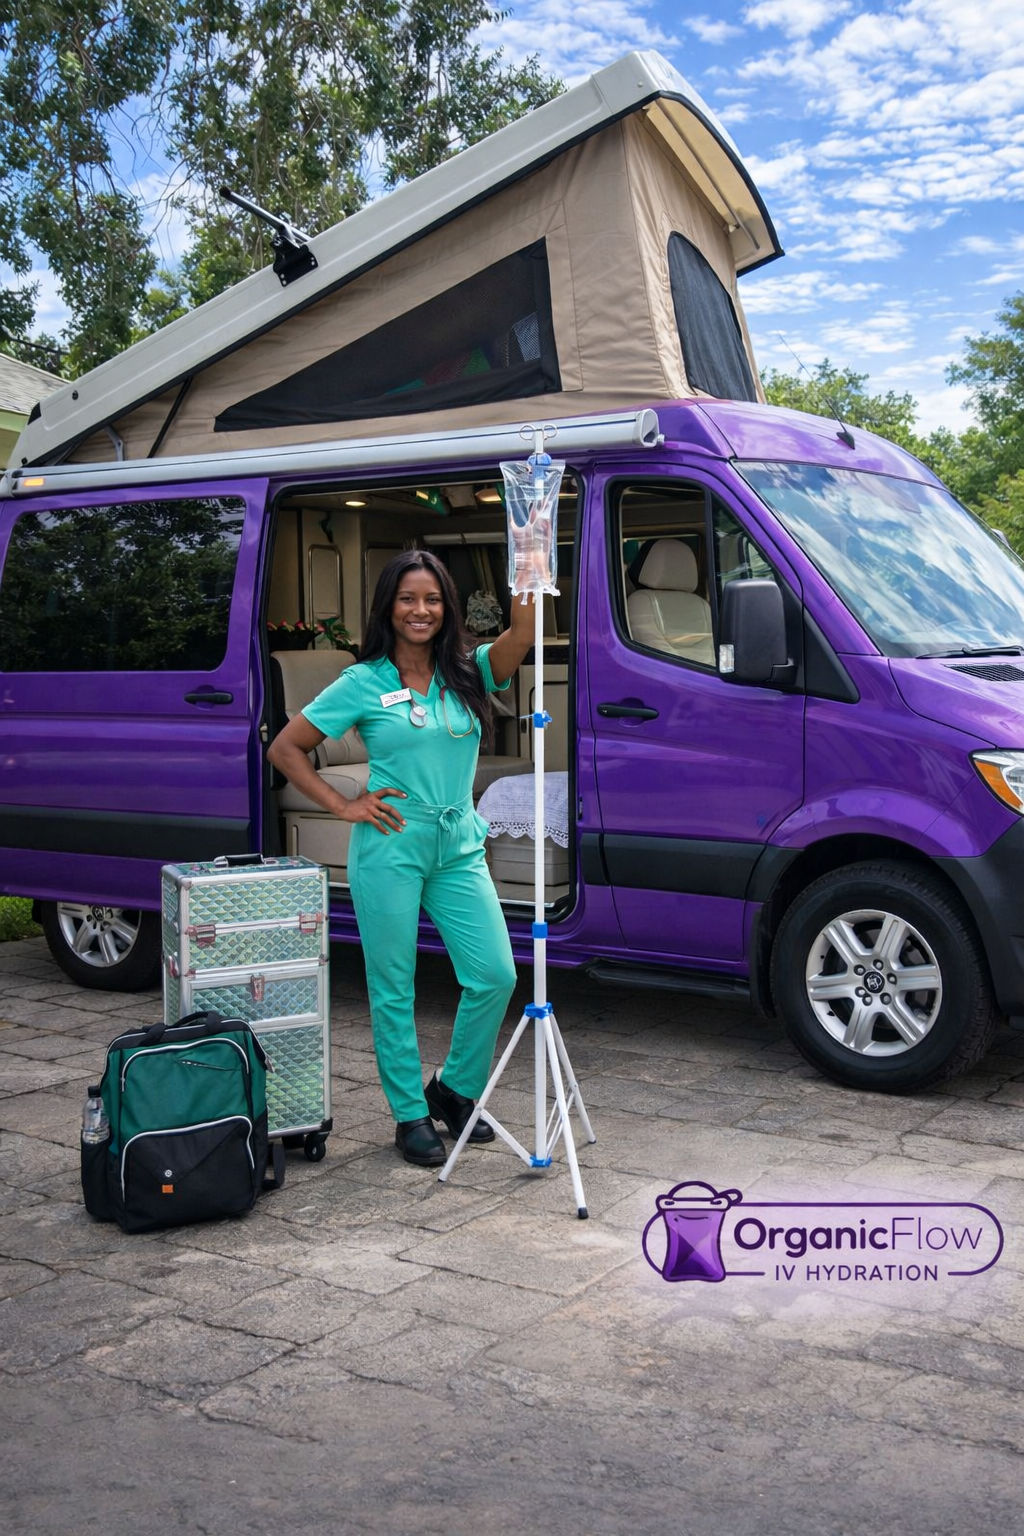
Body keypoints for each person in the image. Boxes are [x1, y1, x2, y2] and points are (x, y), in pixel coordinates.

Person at [267, 550, 536, 1168]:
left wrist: (529, 549)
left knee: (495, 974)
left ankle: (454, 1090)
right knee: (394, 987)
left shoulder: (469, 671)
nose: (421, 610)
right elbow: (287, 748)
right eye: (408, 599)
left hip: (459, 845)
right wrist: (343, 804)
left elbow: (522, 633)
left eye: (433, 599)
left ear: (448, 607)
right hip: (390, 844)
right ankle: (408, 1114)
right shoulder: (364, 681)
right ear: (389, 606)